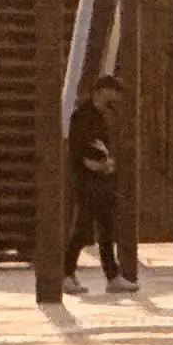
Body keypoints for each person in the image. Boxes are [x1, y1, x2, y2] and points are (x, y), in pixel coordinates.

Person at [67, 72, 136, 294]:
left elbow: (101, 146)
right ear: (102, 90)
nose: (116, 96)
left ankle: (112, 276)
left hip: (102, 179)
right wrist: (95, 165)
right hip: (87, 180)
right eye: (113, 91)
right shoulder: (83, 115)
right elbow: (79, 148)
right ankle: (65, 273)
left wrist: (107, 163)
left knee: (107, 227)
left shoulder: (102, 115)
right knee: (83, 227)